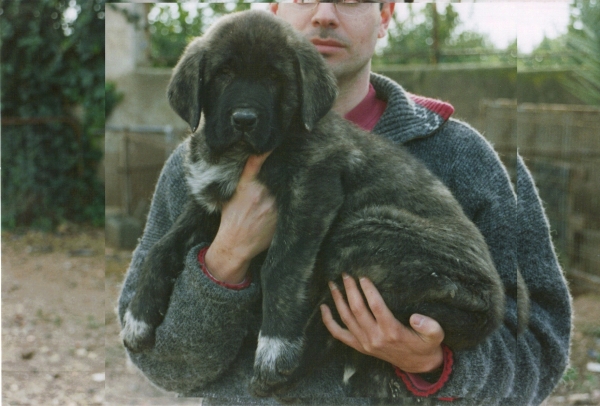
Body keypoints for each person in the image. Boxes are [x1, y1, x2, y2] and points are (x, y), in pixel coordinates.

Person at [117, 3, 572, 405]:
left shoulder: (466, 158)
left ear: (386, 14)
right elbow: (161, 364)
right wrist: (227, 256)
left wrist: (436, 368)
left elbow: (540, 345)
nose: (324, 14)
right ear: (275, 10)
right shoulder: (192, 165)